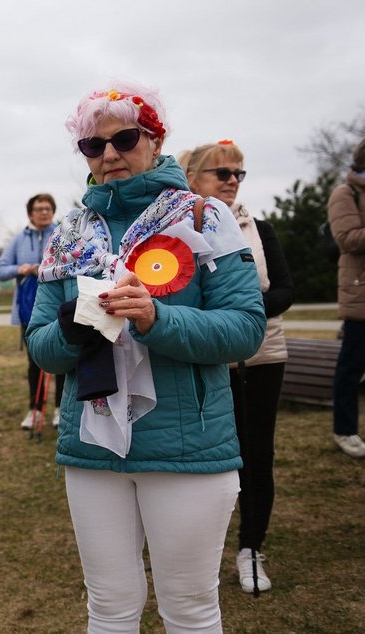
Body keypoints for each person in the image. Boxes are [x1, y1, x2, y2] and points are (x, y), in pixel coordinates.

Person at [26, 83, 266, 632]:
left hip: (188, 444)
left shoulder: (205, 217)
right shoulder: (68, 232)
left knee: (190, 608)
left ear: (155, 142)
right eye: (92, 145)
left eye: (125, 138)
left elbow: (244, 330)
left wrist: (156, 320)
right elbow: (42, 346)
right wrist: (72, 326)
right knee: (108, 606)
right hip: (92, 445)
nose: (109, 155)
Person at [180, 139, 294, 593]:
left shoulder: (260, 229)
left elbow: (285, 290)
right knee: (200, 459)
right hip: (199, 359)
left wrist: (240, 313)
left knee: (256, 454)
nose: (232, 181)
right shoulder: (172, 231)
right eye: (221, 173)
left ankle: (250, 548)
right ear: (192, 178)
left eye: (238, 174)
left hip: (259, 357)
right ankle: (191, 549)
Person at [0, 193, 62, 429]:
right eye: (39, 209)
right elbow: (0, 270)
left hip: (59, 307)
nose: (44, 212)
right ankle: (35, 410)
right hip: (28, 309)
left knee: (63, 358)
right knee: (34, 361)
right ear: (30, 213)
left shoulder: (63, 233)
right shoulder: (18, 240)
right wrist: (21, 268)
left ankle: (61, 409)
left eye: (48, 208)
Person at [327, 137, 365, 459]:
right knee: (351, 368)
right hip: (360, 293)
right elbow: (348, 238)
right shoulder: (346, 193)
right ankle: (345, 429)